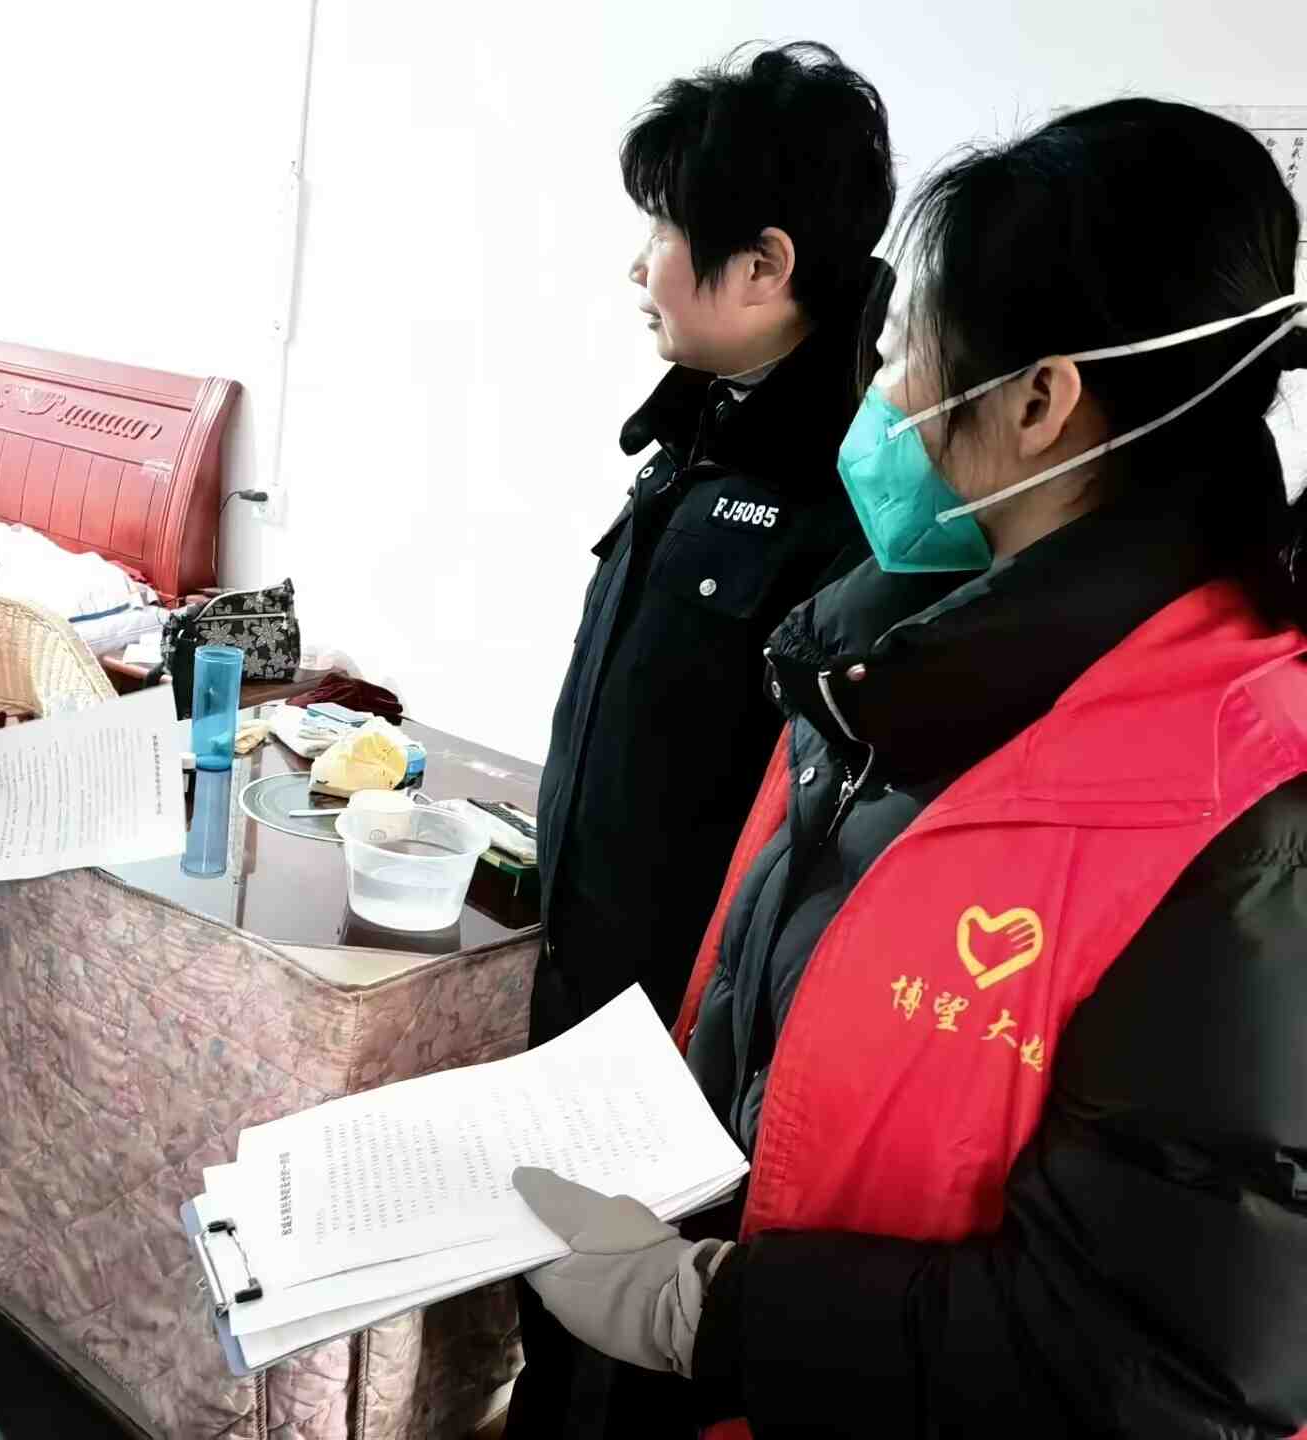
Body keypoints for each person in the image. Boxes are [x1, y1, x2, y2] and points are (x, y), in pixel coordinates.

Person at [513, 98, 1307, 1438]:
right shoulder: (894, 658)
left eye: (906, 353)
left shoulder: (1249, 817)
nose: (882, 398)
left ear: (1041, 402)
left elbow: (1165, 1365)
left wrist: (714, 1317)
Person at [515, 42, 895, 1436]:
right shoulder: (697, 436)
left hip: (684, 1050)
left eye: (663, 232)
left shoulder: (849, 502)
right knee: (550, 1326)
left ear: (764, 266)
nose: (640, 267)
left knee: (626, 1386)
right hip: (584, 993)